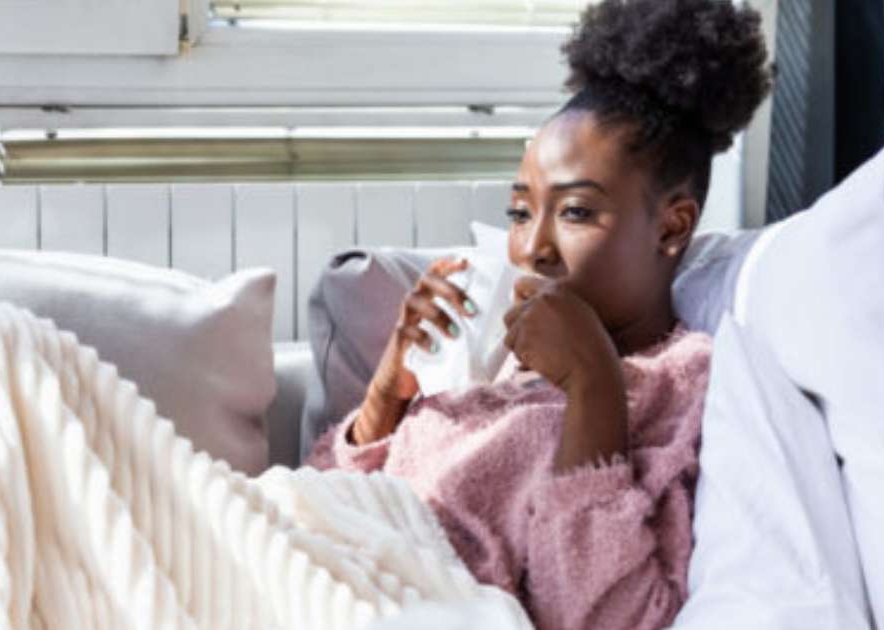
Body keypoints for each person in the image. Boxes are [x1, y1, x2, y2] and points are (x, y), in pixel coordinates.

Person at [304, 0, 773, 628]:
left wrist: (594, 386)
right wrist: (386, 395)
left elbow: (605, 616)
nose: (532, 249)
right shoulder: (494, 363)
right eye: (521, 212)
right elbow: (322, 498)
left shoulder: (684, 385)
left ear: (672, 226)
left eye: (575, 212)